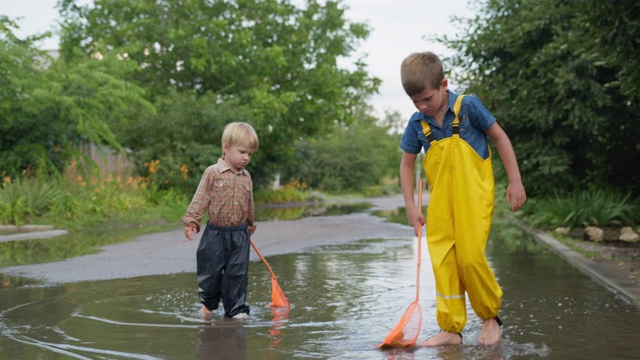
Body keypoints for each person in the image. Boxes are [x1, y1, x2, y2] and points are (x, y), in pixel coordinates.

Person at [398, 51, 527, 346]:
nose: (421, 106)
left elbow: (500, 137)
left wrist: (515, 180)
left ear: (443, 84)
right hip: (441, 205)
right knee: (443, 262)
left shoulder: (467, 107)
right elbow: (406, 165)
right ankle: (450, 329)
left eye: (426, 98)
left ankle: (490, 317)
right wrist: (410, 206)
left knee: (469, 258)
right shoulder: (418, 123)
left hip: (474, 200)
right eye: (415, 101)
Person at [183, 122, 259, 320]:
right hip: (216, 233)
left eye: (249, 154)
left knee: (238, 273)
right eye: (242, 152)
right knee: (211, 271)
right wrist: (193, 220)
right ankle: (208, 305)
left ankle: (236, 309)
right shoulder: (213, 173)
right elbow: (201, 197)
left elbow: (249, 203)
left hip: (240, 234)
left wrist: (250, 226)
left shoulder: (246, 177)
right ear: (226, 147)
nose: (246, 158)